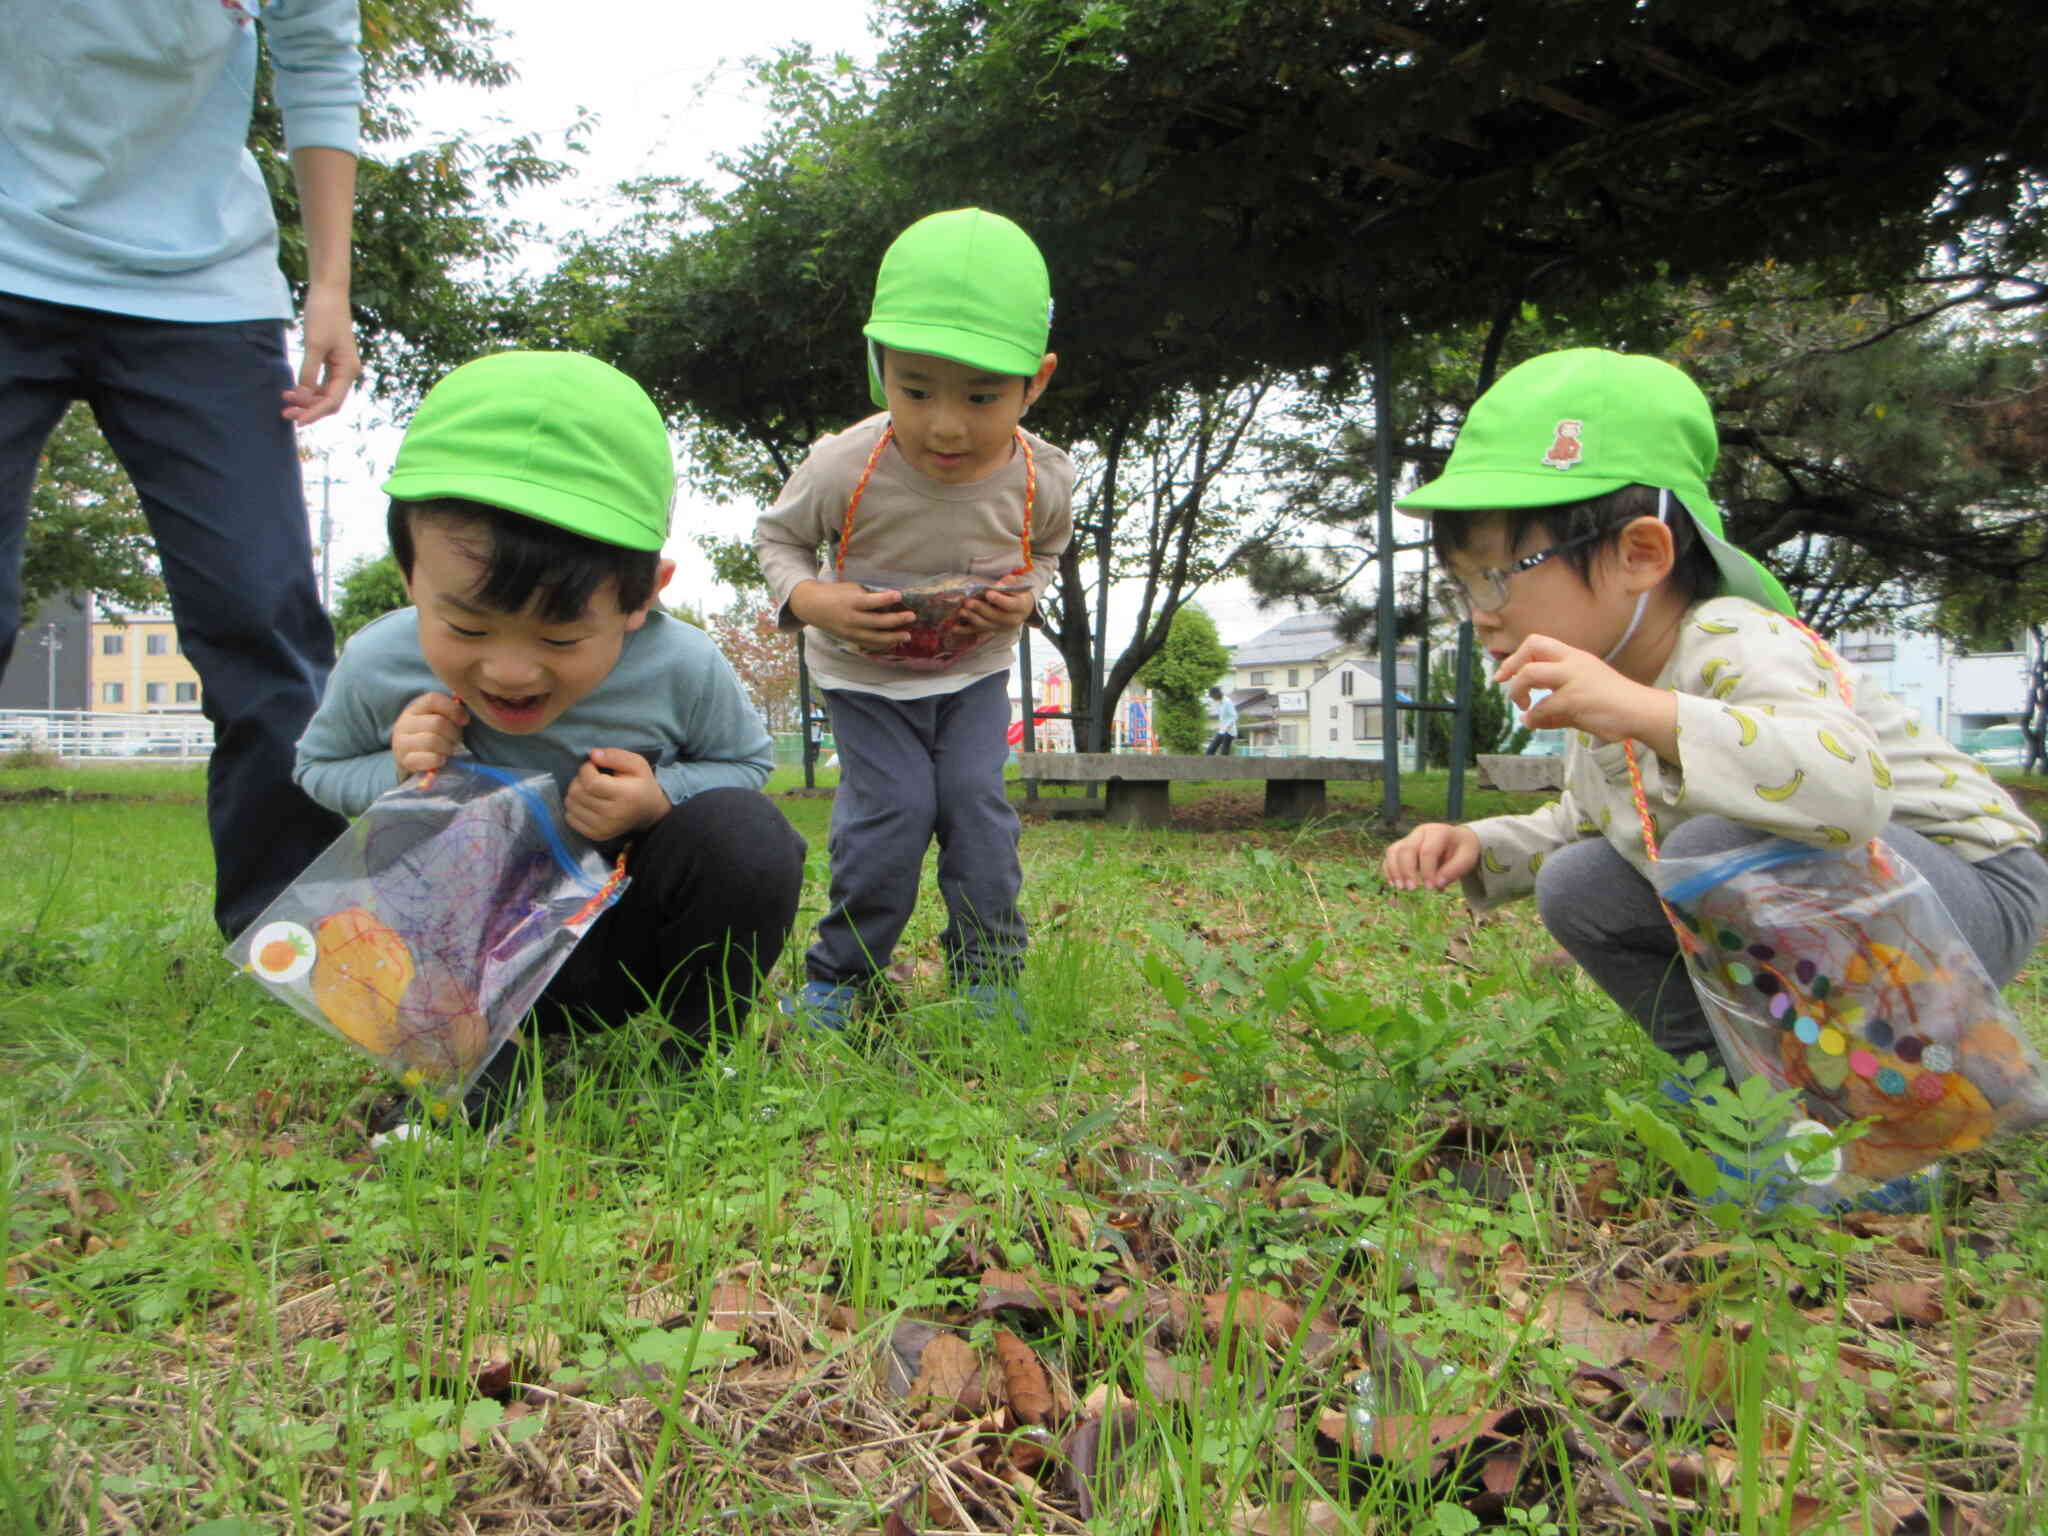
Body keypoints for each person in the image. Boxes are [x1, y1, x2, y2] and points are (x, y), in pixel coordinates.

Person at [1381, 348, 2048, 1201]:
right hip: (1859, 906)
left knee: (1718, 841)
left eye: (1500, 575)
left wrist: (1650, 715)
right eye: (1460, 585)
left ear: (1641, 553)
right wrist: (1477, 843)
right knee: (1582, 883)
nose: (1480, 613)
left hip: (1965, 890)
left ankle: (1892, 1136)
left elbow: (1844, 795)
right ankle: (1751, 1103)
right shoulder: (1613, 680)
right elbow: (1592, 828)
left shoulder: (1736, 640)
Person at [295, 351, 807, 1132]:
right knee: (422, 845)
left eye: (561, 636)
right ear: (410, 576)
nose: (508, 670)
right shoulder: (380, 662)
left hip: (622, 942)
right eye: (465, 625)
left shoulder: (681, 663)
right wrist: (399, 771)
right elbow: (317, 767)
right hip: (467, 964)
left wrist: (658, 798)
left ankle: (700, 1051)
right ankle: (466, 1074)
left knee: (747, 836)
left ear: (642, 596)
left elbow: (747, 765)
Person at [0, 1, 365, 938]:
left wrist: (330, 288)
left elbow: (320, 65)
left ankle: (291, 937)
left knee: (261, 615)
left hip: (202, 289)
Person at [756, 208, 1076, 1031]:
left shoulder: (1042, 477)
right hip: (864, 677)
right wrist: (816, 600)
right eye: (916, 390)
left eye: (982, 395)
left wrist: (1026, 593)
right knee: (893, 810)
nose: (945, 424)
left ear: (1034, 382)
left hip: (974, 673)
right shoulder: (843, 465)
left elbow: (1046, 551)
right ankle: (842, 978)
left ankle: (990, 975)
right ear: (878, 368)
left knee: (975, 804)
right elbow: (779, 540)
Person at [1204, 686, 1238, 755]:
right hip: (1222, 730)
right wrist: (1221, 728)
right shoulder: (1219, 702)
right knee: (1210, 750)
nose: (1212, 698)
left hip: (1229, 731)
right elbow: (1223, 718)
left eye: (1212, 697)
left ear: (1216, 695)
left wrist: (1227, 727)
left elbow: (1234, 716)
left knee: (1224, 752)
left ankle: (1224, 764)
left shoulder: (1227, 701)